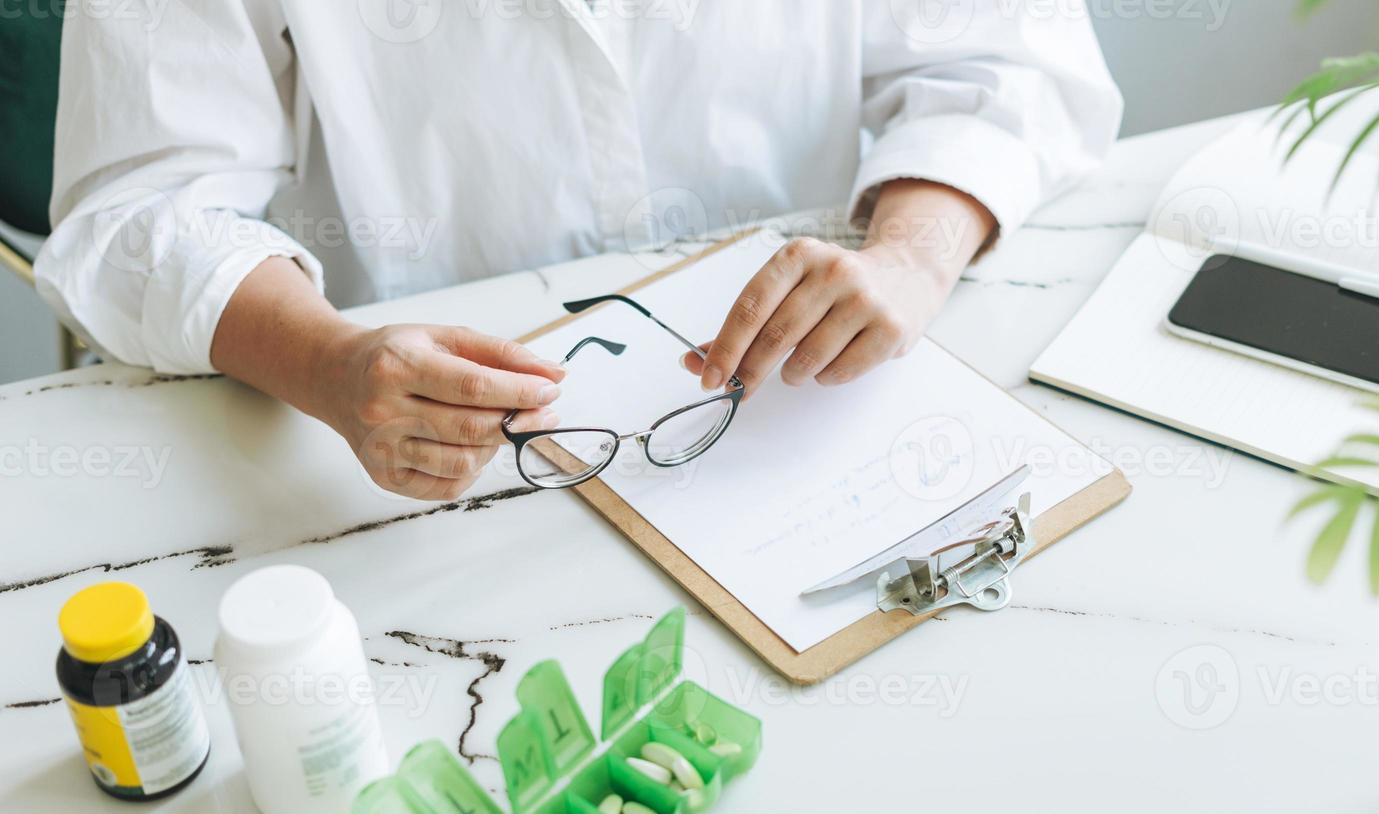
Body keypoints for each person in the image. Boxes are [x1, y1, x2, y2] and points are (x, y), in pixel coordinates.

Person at [36, 1, 1121, 501]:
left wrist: (913, 255)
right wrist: (327, 362)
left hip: (802, 418)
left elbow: (1009, 53)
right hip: (426, 455)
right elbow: (147, 202)